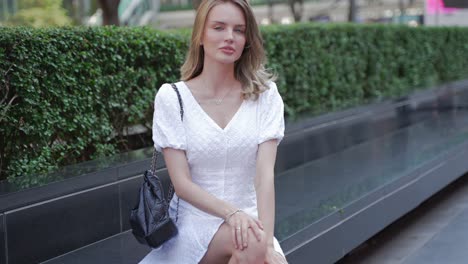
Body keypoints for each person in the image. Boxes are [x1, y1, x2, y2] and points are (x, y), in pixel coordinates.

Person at [139, 0, 287, 263]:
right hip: (194, 220)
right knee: (251, 243)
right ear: (200, 36)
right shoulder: (173, 98)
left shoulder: (265, 96)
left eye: (239, 30)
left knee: (256, 247)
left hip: (250, 220)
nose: (230, 37)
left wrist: (267, 244)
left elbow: (264, 177)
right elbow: (182, 184)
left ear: (247, 40)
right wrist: (232, 214)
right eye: (219, 27)